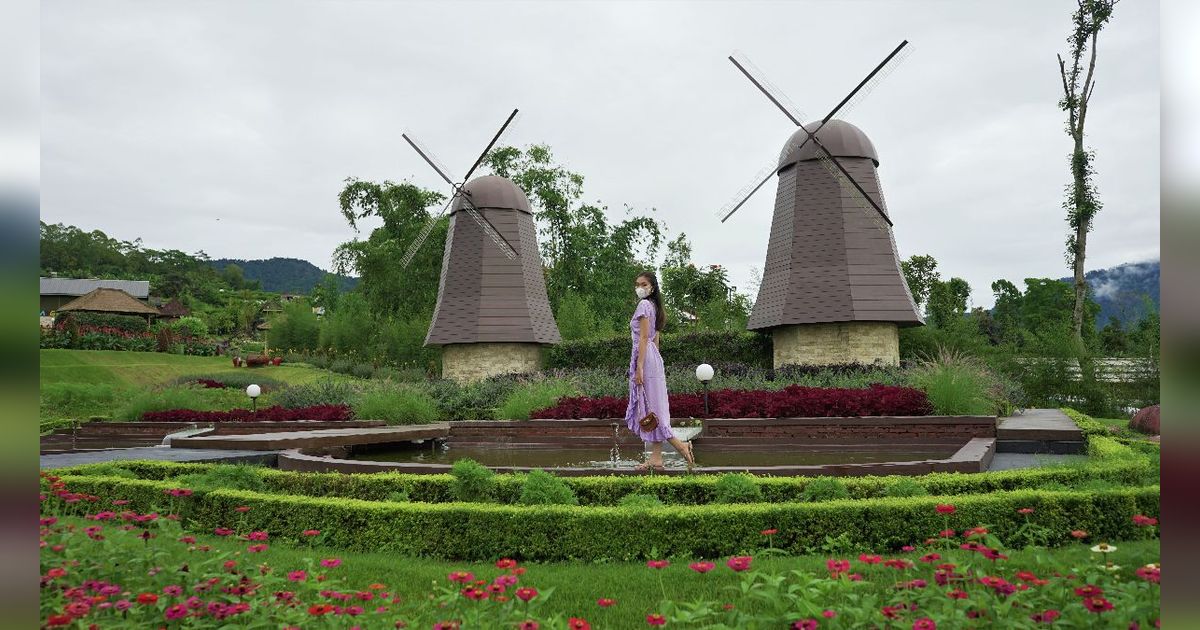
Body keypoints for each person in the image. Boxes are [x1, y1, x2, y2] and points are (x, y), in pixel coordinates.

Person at [625, 271, 695, 471]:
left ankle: (682, 447)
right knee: (653, 408)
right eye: (637, 283)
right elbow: (655, 340)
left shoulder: (644, 305)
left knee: (650, 409)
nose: (639, 287)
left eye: (644, 284)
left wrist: (639, 368)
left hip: (646, 359)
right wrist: (654, 364)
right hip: (653, 359)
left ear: (652, 287)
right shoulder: (655, 307)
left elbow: (644, 338)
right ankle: (656, 459)